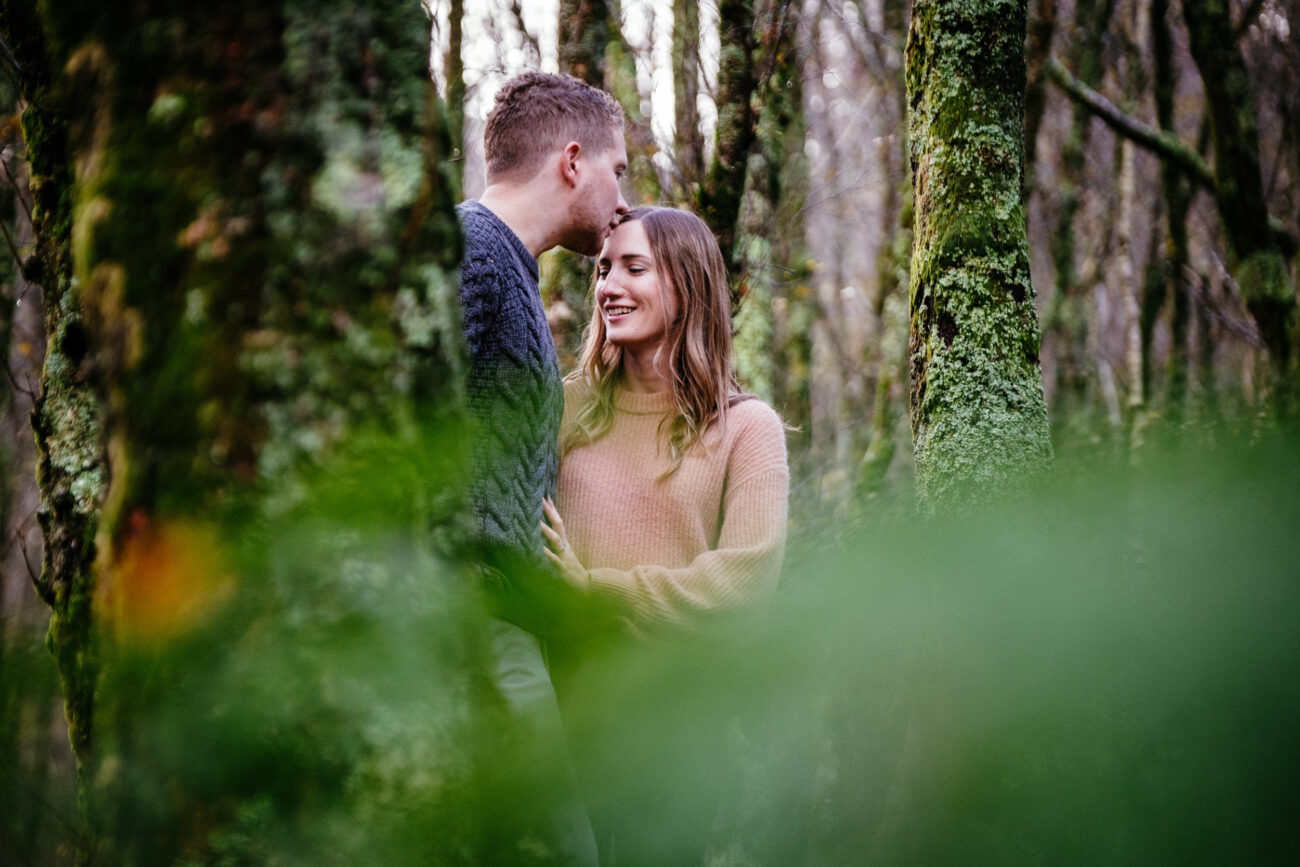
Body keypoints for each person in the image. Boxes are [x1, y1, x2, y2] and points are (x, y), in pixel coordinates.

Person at [539, 206, 789, 864]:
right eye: (602, 269)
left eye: (634, 267)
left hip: (677, 730)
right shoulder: (564, 406)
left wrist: (599, 590)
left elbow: (744, 578)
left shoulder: (746, 428)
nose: (608, 285)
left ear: (686, 283)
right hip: (562, 717)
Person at [456, 71, 628, 866]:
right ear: (571, 161)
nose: (621, 198)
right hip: (477, 623)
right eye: (616, 170)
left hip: (505, 626)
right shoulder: (473, 249)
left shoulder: (510, 267)